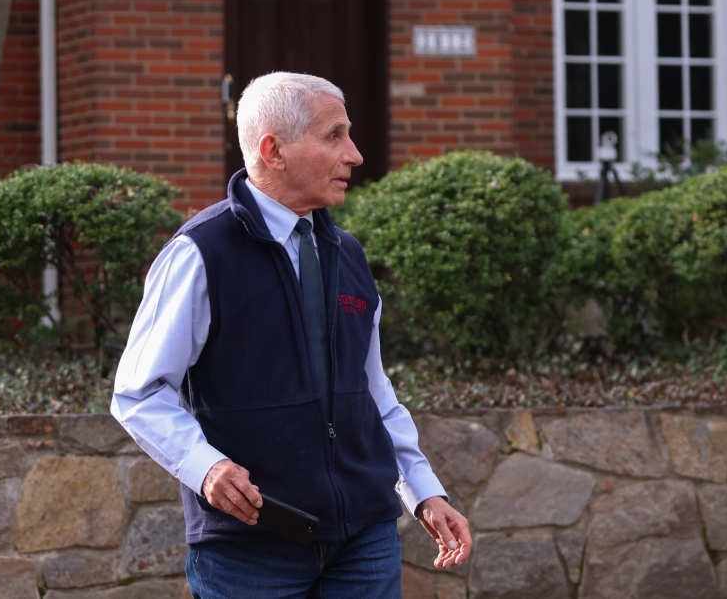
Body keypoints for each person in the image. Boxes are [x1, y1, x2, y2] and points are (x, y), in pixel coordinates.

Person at [111, 72, 472, 598]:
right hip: (250, 548)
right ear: (273, 151)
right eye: (334, 136)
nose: (355, 155)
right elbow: (138, 392)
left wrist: (422, 490)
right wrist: (205, 468)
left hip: (365, 542)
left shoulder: (348, 254)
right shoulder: (200, 254)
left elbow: (372, 391)